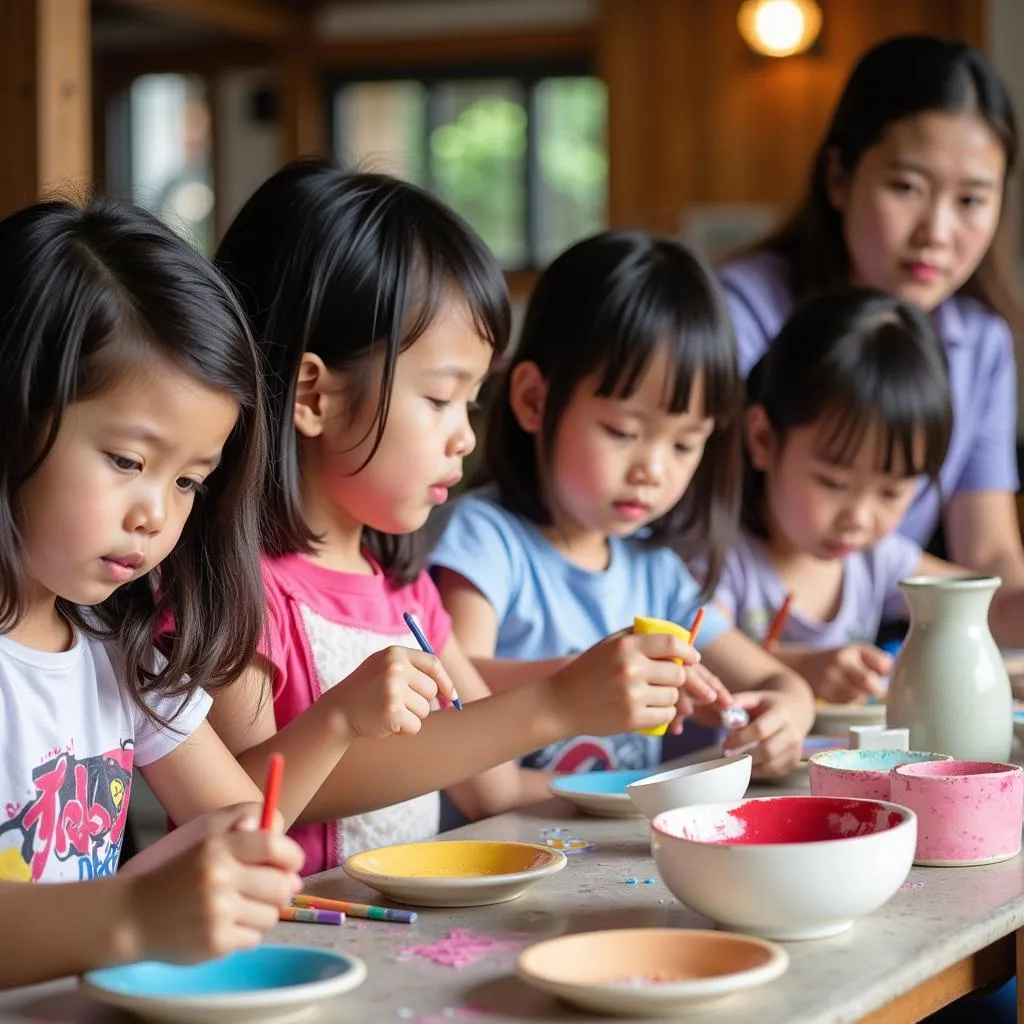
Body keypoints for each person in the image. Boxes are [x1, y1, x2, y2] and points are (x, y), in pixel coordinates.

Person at [208, 162, 716, 876]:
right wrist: (558, 703)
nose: (465, 438)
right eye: (442, 399)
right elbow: (234, 807)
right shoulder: (238, 586)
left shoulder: (401, 588)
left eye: (472, 403)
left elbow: (494, 786)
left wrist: (675, 788)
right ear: (315, 395)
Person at [0, 199, 307, 988]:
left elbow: (236, 816)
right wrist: (137, 912)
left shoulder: (115, 651)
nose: (156, 513)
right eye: (127, 461)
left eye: (188, 481)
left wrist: (233, 857)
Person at [430, 231, 815, 782]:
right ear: (534, 400)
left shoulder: (657, 571)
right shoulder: (483, 540)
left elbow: (783, 683)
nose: (653, 470)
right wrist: (579, 681)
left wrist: (783, 719)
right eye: (622, 431)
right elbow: (454, 684)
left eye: (684, 443)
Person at [719, 35, 1024, 646]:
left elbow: (987, 553)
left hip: (865, 643)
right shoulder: (740, 312)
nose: (936, 232)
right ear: (839, 177)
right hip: (733, 635)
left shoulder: (981, 342)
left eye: (971, 200)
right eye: (907, 187)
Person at [719, 287, 975, 702]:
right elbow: (698, 657)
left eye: (891, 492)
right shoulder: (720, 560)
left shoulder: (876, 559)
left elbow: (984, 602)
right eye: (833, 483)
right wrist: (806, 668)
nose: (858, 517)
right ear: (764, 439)